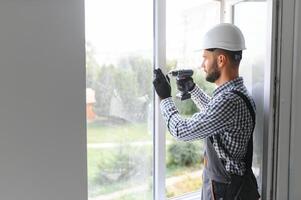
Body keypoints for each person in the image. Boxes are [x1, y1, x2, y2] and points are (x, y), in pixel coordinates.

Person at [153, 23, 260, 200]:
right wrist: (193, 88)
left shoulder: (229, 101)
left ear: (221, 60)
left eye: (205, 58)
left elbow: (182, 130)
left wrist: (165, 98)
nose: (202, 64)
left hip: (226, 191)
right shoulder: (237, 93)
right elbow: (215, 115)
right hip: (230, 186)